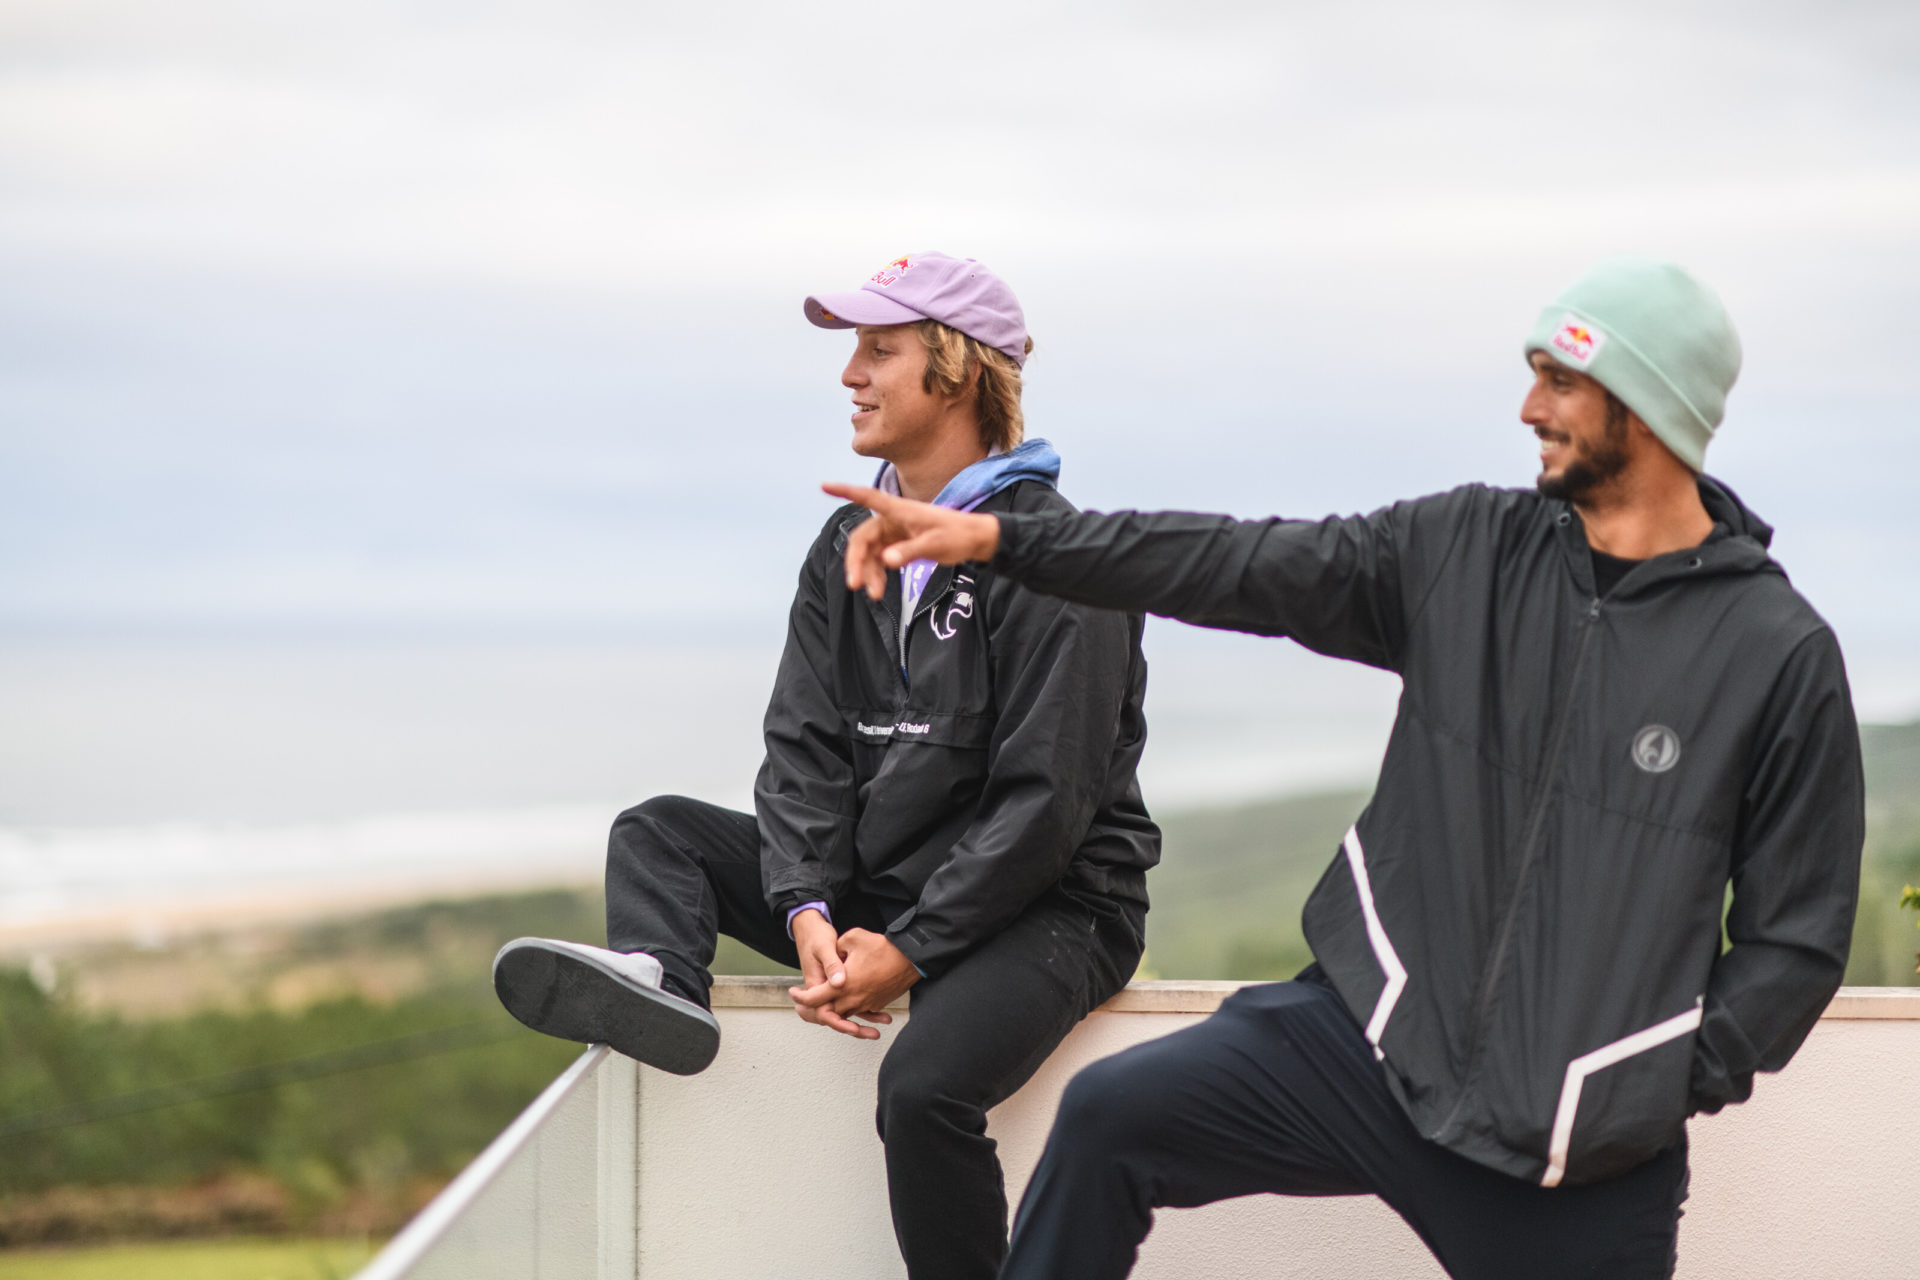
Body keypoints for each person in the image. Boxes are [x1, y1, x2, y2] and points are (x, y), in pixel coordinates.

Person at [826, 258, 1864, 1280]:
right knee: (1110, 1119)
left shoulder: (1773, 651)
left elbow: (1795, 940)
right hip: (1364, 1041)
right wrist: (1004, 539)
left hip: (1579, 1147)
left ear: (1645, 407)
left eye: (1561, 380)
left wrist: (1647, 1079)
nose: (1528, 405)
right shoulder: (1469, 548)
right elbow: (1234, 561)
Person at [492, 251, 1159, 1280]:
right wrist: (804, 909)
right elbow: (800, 747)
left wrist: (912, 948)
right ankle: (665, 976)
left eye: (878, 349)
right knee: (659, 830)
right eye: (854, 349)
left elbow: (1045, 807)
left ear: (959, 370)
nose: (851, 373)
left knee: (924, 1086)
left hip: (1054, 905)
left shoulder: (1062, 557)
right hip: (884, 882)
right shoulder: (846, 540)